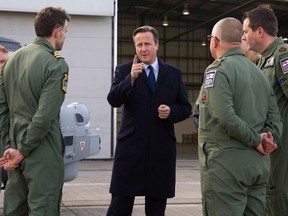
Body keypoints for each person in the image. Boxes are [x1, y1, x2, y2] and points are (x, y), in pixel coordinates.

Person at [198, 17, 282, 215]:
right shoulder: (259, 72)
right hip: (258, 167)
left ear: (215, 41)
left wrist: (255, 140)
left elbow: (225, 116)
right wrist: (269, 138)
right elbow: (275, 117)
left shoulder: (217, 70)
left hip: (226, 168)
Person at [106, 25, 192, 215]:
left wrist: (171, 111)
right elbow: (113, 99)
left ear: (157, 45)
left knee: (156, 208)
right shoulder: (124, 70)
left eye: (147, 44)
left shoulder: (173, 73)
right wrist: (130, 79)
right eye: (139, 45)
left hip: (161, 150)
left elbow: (186, 108)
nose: (143, 49)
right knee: (119, 205)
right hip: (130, 150)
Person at [0, 7, 70, 216]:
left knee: (14, 209)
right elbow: (44, 116)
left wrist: (9, 144)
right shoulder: (56, 63)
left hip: (14, 148)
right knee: (44, 209)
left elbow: (2, 108)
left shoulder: (12, 60)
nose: (65, 36)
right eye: (66, 31)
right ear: (57, 31)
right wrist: (23, 149)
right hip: (42, 150)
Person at [242, 5, 288, 215]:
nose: (244, 36)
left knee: (277, 194)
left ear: (259, 31)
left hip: (283, 147)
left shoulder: (282, 55)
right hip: (270, 145)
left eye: (245, 31)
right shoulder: (262, 61)